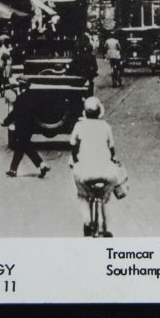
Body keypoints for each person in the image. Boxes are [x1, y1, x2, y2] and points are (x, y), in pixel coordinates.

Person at [70, 97, 127, 237]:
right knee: (106, 197)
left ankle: (87, 222)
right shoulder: (105, 126)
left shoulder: (79, 126)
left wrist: (77, 160)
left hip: (85, 172)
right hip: (106, 173)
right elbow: (112, 149)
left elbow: (73, 146)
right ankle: (107, 228)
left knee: (82, 195)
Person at [1, 77, 52, 178]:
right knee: (20, 147)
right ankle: (13, 170)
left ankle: (42, 165)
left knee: (25, 146)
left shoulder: (21, 98)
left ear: (21, 86)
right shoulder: (33, 96)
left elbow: (14, 113)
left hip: (22, 126)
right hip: (31, 126)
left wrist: (5, 122)